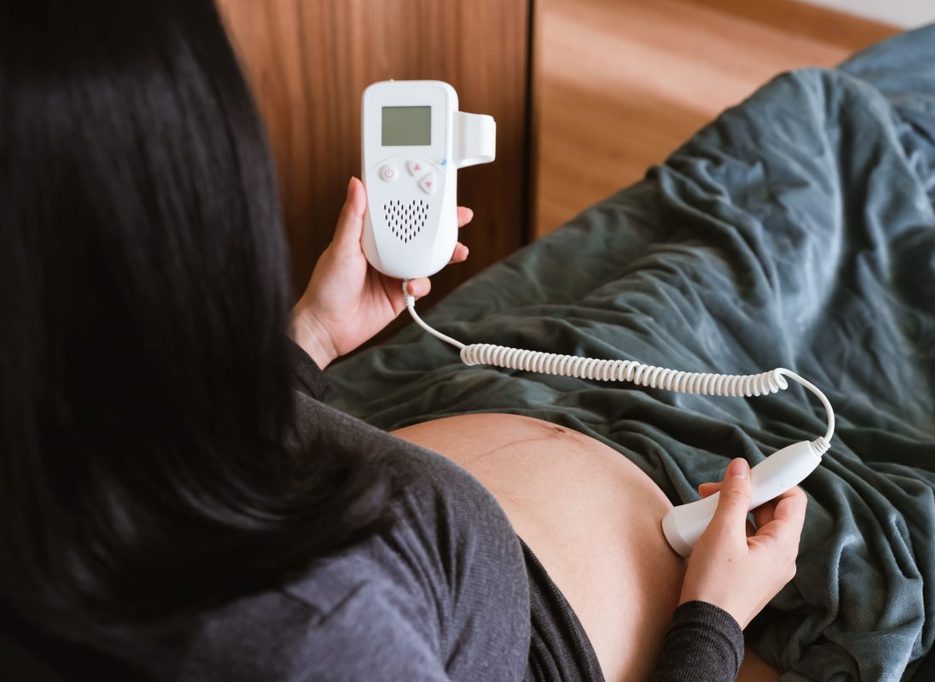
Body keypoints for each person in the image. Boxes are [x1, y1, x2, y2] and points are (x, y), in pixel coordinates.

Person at [0, 1, 807, 680]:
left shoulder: (62, 451)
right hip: (641, 586)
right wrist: (713, 622)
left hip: (483, 458)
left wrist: (305, 342)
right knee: (761, 200)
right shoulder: (313, 641)